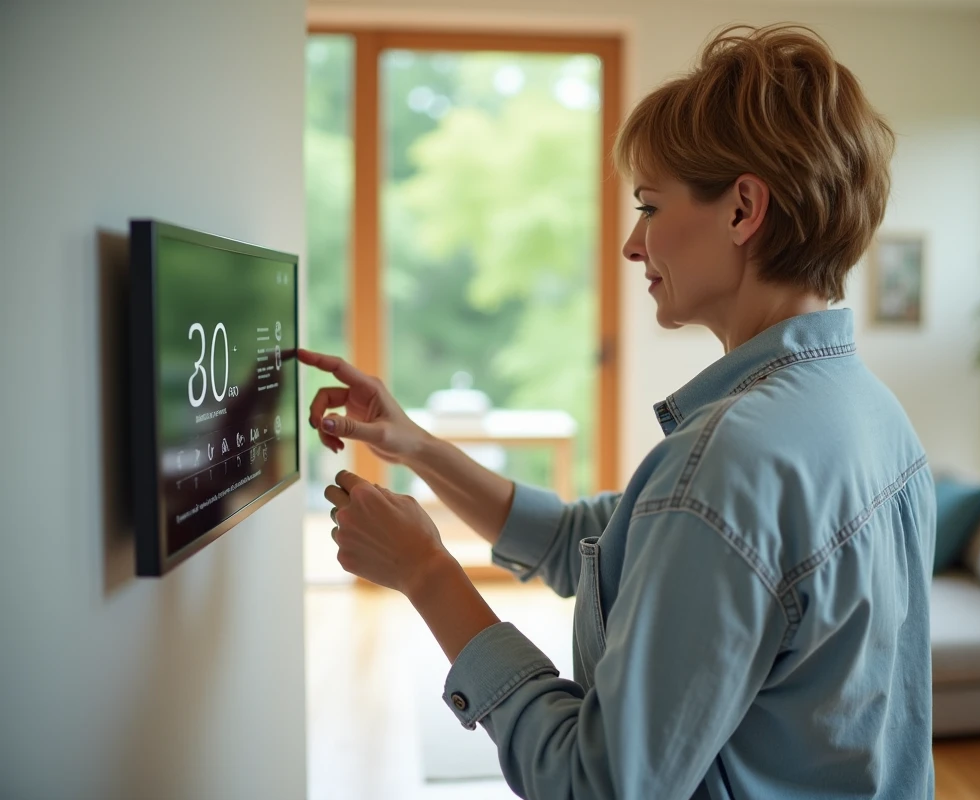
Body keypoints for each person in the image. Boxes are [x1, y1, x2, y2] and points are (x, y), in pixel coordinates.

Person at [300, 22, 936, 799]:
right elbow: (588, 544)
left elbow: (595, 785)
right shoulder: (874, 415)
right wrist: (417, 446)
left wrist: (427, 574)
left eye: (650, 205)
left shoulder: (729, 462)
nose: (634, 245)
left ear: (742, 210)